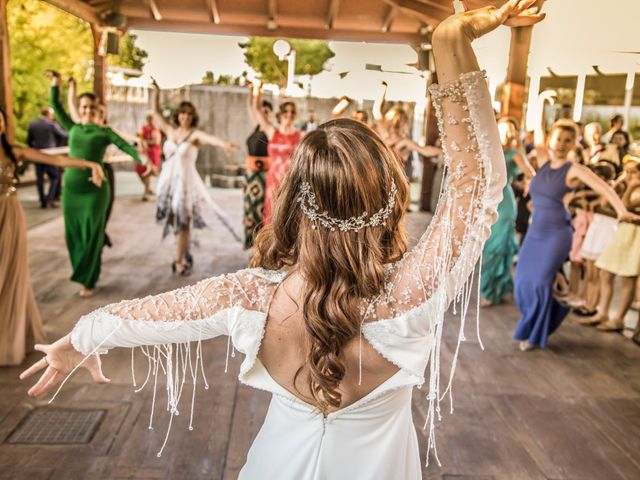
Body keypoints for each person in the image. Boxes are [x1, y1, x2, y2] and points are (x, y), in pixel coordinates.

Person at [20, 2, 543, 477]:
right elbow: (477, 187)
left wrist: (78, 341)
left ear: (294, 200)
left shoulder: (249, 298)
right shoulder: (412, 294)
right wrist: (451, 43)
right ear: (390, 199)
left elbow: (139, 316)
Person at [513, 120, 639, 351]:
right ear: (552, 139)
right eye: (558, 139)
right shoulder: (542, 161)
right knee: (522, 282)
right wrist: (541, 104)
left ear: (573, 144)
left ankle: (534, 334)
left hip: (556, 233)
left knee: (540, 283)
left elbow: (604, 187)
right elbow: (538, 133)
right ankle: (557, 301)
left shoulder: (573, 169)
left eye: (568, 140)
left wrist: (621, 211)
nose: (562, 144)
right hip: (535, 233)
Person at [0, 107, 103, 366]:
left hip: (9, 214)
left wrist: (89, 163)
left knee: (10, 272)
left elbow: (57, 161)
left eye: (0, 121)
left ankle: (8, 338)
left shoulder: (14, 151)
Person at [48, 70, 144, 297]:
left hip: (95, 190)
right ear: (80, 110)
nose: (87, 111)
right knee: (73, 234)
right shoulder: (73, 128)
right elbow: (56, 104)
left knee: (92, 233)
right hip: (71, 190)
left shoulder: (104, 131)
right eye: (83, 107)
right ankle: (82, 269)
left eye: (91, 107)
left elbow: (126, 146)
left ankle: (89, 280)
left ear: (97, 109)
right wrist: (56, 83)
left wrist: (143, 160)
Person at [151, 80, 238, 275]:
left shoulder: (194, 135)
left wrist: (225, 145)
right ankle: (184, 252)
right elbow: (156, 113)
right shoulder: (171, 131)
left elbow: (210, 139)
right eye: (183, 113)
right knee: (174, 221)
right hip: (167, 184)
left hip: (185, 184)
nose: (185, 117)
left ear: (193, 117)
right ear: (178, 115)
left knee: (184, 221)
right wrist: (156, 92)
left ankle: (178, 260)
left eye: (189, 114)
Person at [480, 118, 534, 307]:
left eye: (512, 130)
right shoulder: (486, 150)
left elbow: (530, 172)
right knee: (487, 246)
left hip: (504, 203)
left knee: (496, 248)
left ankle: (489, 291)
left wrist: (529, 184)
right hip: (487, 201)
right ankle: (500, 287)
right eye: (505, 130)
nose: (509, 134)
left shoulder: (514, 153)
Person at [589, 154, 640, 332]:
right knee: (605, 272)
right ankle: (602, 311)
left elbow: (624, 207)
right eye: (628, 172)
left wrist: (631, 187)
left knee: (628, 278)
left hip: (636, 235)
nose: (630, 175)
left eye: (634, 172)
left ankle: (618, 318)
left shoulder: (635, 189)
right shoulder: (627, 185)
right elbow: (607, 201)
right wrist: (620, 182)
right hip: (624, 232)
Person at [251, 83, 302, 224]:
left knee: (288, 216)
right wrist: (257, 89)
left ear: (295, 115)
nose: (289, 115)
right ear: (280, 115)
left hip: (290, 181)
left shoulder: (300, 135)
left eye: (292, 112)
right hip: (273, 180)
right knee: (271, 215)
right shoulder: (272, 132)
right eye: (286, 112)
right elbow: (256, 109)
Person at [244, 84, 273, 248]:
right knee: (251, 211)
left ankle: (262, 246)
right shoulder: (256, 127)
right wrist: (252, 91)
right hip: (250, 177)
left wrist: (259, 93)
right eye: (261, 111)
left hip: (264, 176)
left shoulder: (271, 131)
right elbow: (251, 107)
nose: (263, 113)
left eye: (266, 111)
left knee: (262, 212)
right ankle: (252, 245)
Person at [26, 107, 68, 208]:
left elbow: (29, 141)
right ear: (49, 114)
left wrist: (35, 150)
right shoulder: (51, 124)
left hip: (38, 154)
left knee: (39, 178)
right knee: (54, 177)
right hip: (51, 155)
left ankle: (42, 200)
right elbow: (64, 135)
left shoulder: (33, 124)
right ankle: (50, 198)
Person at [137, 113, 162, 201]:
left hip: (153, 152)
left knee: (147, 171)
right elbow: (139, 138)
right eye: (148, 118)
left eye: (151, 118)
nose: (150, 120)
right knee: (139, 170)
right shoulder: (143, 128)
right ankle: (148, 188)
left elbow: (156, 142)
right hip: (144, 152)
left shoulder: (155, 129)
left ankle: (146, 193)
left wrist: (145, 142)